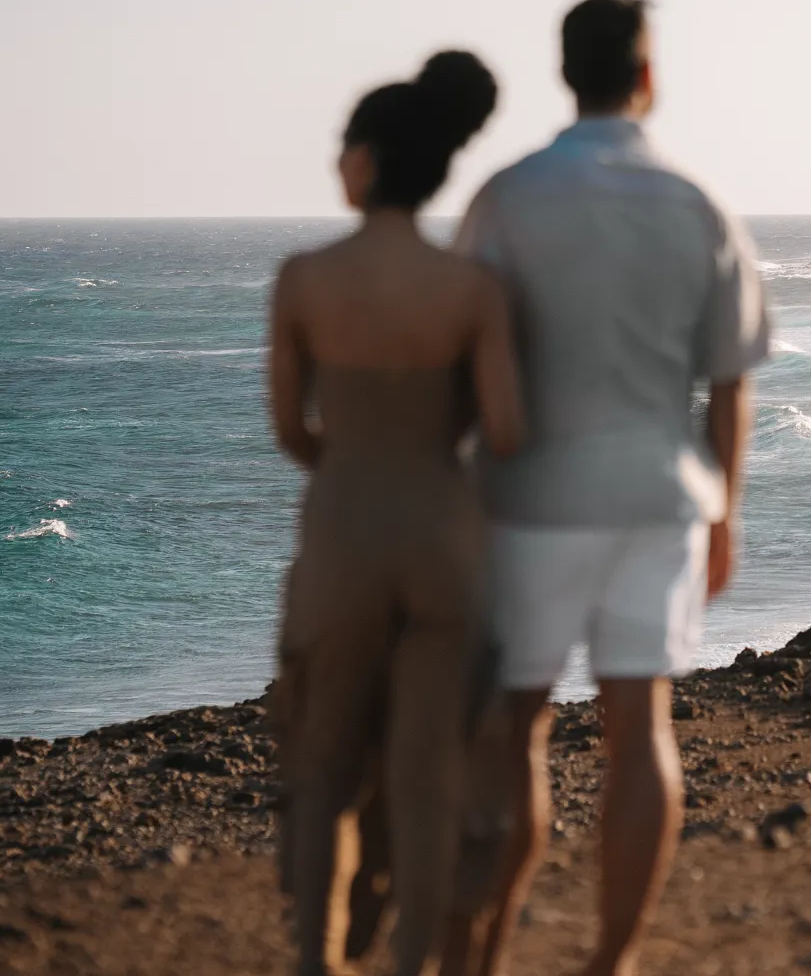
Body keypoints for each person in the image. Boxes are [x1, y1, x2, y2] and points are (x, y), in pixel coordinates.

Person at [451, 0, 769, 976]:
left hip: (526, 499)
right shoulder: (696, 199)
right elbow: (729, 380)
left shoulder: (507, 195)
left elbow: (467, 348)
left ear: (563, 73)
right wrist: (727, 513)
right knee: (641, 732)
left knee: (517, 730)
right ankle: (611, 961)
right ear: (645, 75)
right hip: (657, 496)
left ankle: (487, 948)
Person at [267, 50, 523, 976]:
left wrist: (355, 465)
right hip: (443, 536)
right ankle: (413, 962)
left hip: (342, 528)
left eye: (343, 145)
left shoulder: (303, 279)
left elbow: (291, 428)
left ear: (367, 161)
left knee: (326, 765)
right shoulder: (470, 288)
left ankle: (316, 960)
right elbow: (504, 428)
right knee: (426, 777)